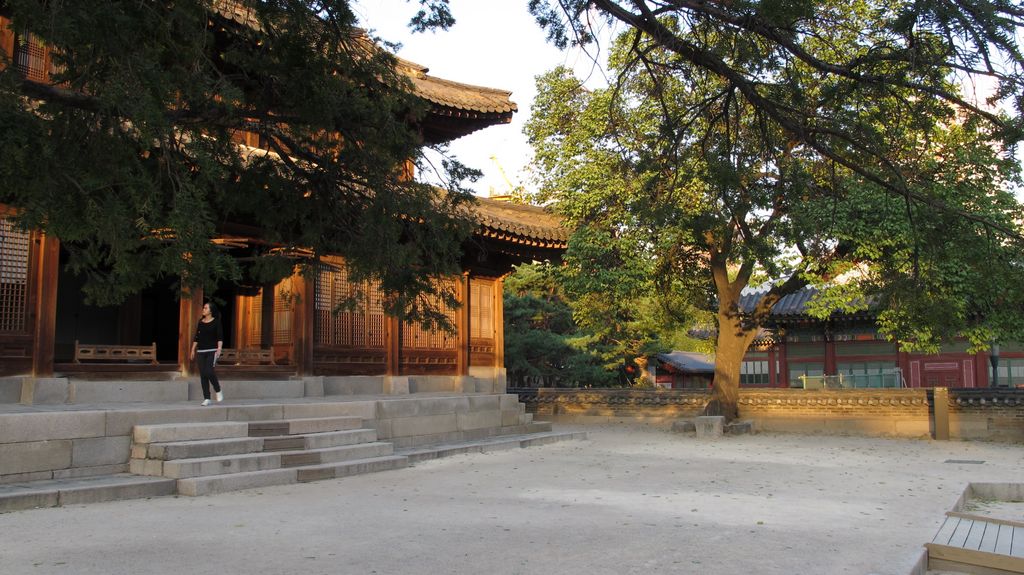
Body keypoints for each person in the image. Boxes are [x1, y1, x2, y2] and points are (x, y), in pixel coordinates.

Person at [190, 302, 224, 406]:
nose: (203, 309)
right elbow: (197, 337)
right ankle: (207, 398)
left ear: (211, 310)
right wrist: (192, 350)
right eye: (203, 308)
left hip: (212, 351)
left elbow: (220, 337)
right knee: (203, 375)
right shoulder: (200, 322)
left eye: (205, 308)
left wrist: (219, 348)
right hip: (201, 351)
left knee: (209, 371)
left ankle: (218, 389)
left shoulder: (216, 322)